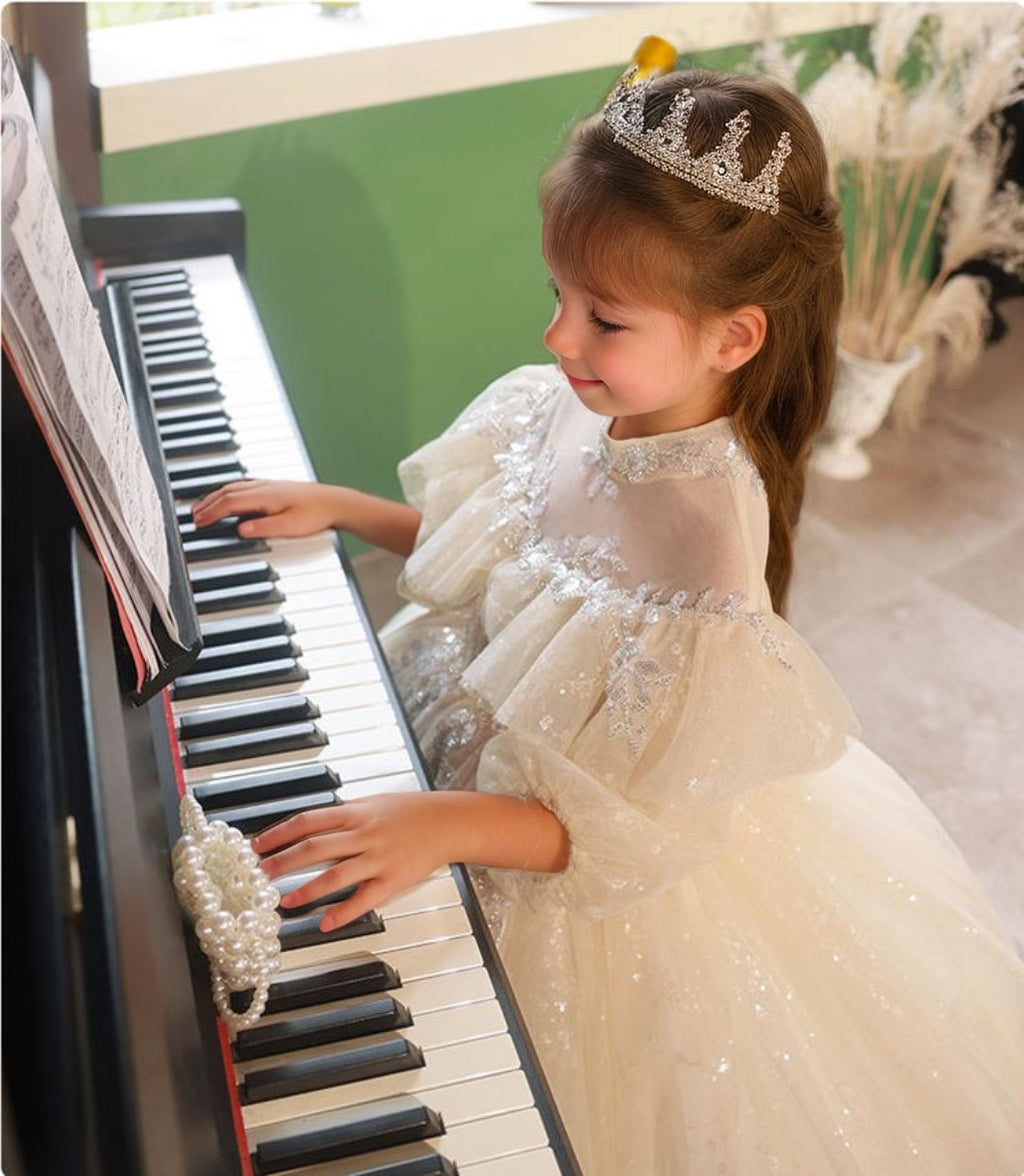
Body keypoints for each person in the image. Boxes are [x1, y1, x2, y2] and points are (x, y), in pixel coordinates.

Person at [191, 61, 1024, 1176]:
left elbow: (635, 828)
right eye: (560, 297)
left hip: (574, 872)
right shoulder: (571, 405)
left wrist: (443, 823)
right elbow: (514, 563)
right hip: (471, 775)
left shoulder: (705, 537)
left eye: (603, 318)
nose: (556, 340)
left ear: (733, 339)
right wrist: (348, 511)